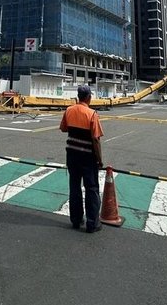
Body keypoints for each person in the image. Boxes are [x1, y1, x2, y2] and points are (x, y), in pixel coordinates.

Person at [59, 85, 104, 233]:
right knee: (91, 188)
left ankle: (76, 220)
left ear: (78, 97)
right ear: (89, 97)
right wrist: (99, 159)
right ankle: (92, 223)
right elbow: (96, 140)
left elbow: (64, 128)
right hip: (87, 157)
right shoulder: (92, 114)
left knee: (74, 187)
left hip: (72, 155)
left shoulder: (69, 110)